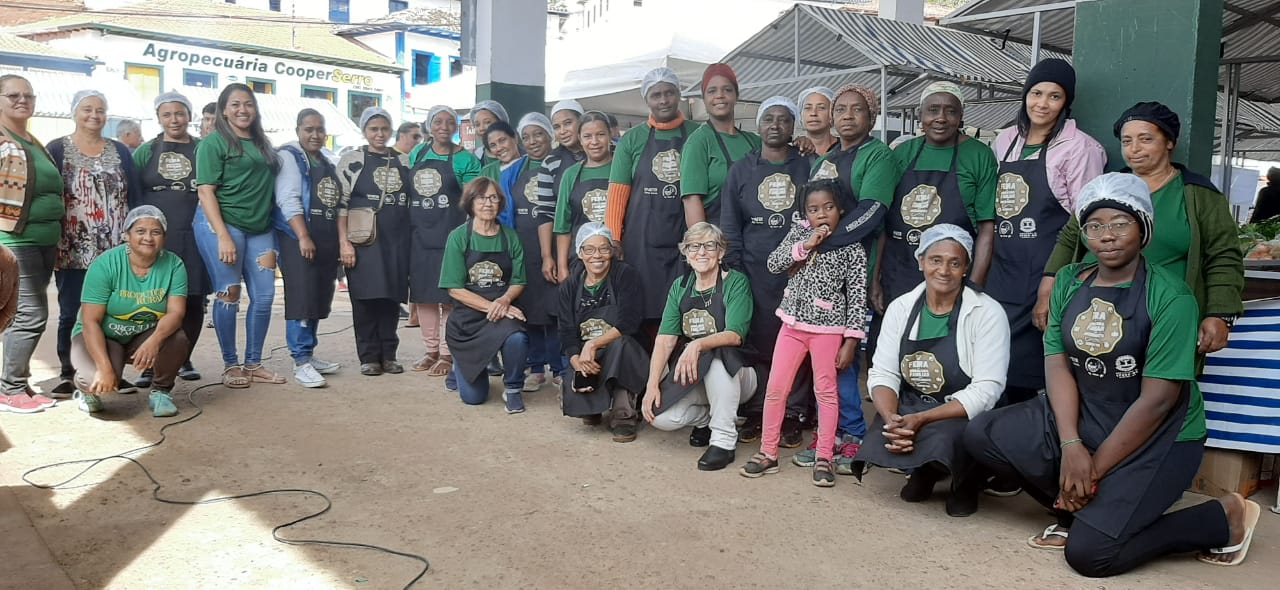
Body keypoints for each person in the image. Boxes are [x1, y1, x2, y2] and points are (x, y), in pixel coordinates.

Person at [964, 173, 1261, 574]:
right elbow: (1057, 361)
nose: (1106, 235)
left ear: (1144, 228)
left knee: (1091, 555)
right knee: (982, 434)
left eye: (1120, 224)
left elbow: (1158, 401)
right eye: (1094, 225)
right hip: (1089, 415)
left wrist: (1093, 470)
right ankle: (1078, 504)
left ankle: (1221, 518)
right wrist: (1071, 446)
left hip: (1158, 435)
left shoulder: (1172, 297)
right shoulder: (1069, 280)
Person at [1038, 102, 1243, 367]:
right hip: (1093, 312)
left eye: (1146, 139)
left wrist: (1220, 314)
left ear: (1169, 142)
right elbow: (1069, 239)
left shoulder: (1198, 195)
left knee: (1161, 382)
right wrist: (1047, 290)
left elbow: (1223, 256)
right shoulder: (1105, 188)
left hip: (1162, 316)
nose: (1134, 149)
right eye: (1127, 141)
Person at [856, 224, 1009, 517]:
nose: (944, 270)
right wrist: (892, 420)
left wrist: (922, 419)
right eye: (936, 260)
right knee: (881, 435)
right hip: (916, 404)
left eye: (955, 263)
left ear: (966, 268)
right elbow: (884, 373)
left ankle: (966, 482)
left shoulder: (987, 313)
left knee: (965, 435)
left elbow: (987, 389)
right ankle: (926, 469)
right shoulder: (901, 308)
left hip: (964, 411)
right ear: (921, 261)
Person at [796, 84, 903, 465]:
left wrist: (823, 241)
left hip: (856, 270)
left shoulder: (878, 156)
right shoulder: (825, 159)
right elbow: (807, 211)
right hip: (820, 273)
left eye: (857, 110)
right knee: (823, 357)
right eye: (840, 109)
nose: (847, 116)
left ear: (871, 117)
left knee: (845, 357)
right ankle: (830, 433)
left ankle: (853, 432)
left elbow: (872, 213)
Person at [988, 59, 1106, 404]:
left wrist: (1054, 281)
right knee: (994, 366)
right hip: (1002, 273)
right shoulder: (1005, 140)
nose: (1042, 103)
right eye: (1036, 93)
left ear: (1066, 103)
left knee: (1031, 373)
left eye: (1054, 96)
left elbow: (1086, 220)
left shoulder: (1081, 148)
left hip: (1047, 275)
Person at [739, 181, 868, 487]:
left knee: (826, 393)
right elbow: (773, 264)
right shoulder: (799, 234)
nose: (821, 214)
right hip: (792, 326)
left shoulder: (852, 247)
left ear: (841, 210)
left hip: (827, 330)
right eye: (813, 209)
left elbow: (857, 297)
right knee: (776, 389)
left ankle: (824, 456)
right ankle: (768, 452)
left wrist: (851, 341)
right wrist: (805, 246)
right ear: (805, 213)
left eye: (828, 207)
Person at [719, 97, 817, 449]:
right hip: (753, 270)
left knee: (796, 338)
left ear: (793, 126)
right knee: (758, 340)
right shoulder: (741, 170)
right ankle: (759, 409)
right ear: (758, 126)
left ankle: (794, 412)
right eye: (768, 119)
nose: (775, 125)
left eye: (784, 119)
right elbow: (730, 223)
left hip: (799, 269)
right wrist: (734, 268)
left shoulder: (807, 166)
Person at [641, 222, 758, 471]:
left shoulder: (735, 282)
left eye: (709, 246)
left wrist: (697, 344)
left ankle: (723, 441)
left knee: (716, 357)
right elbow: (665, 339)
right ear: (685, 253)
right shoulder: (680, 286)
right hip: (696, 375)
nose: (701, 252)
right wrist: (651, 385)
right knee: (658, 415)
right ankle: (707, 420)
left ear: (721, 252)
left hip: (738, 374)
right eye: (694, 246)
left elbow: (735, 335)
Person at [48, 90, 142, 398]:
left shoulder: (120, 150)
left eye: (100, 110)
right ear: (74, 112)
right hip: (73, 247)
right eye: (87, 109)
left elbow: (135, 195)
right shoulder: (57, 149)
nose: (94, 115)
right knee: (71, 311)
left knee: (115, 312)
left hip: (116, 249)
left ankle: (113, 372)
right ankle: (69, 373)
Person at [876, 82, 997, 314]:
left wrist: (973, 288)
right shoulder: (902, 153)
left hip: (952, 279)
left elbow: (987, 228)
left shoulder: (979, 155)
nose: (941, 118)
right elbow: (883, 223)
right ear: (919, 114)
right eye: (932, 110)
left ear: (961, 117)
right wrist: (875, 279)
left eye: (950, 111)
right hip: (898, 273)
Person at [194, 83, 283, 389]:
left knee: (265, 296)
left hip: (260, 227)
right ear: (223, 111)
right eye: (235, 104)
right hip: (223, 225)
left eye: (248, 104)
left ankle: (253, 363)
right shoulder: (214, 143)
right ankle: (231, 365)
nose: (242, 110)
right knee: (229, 293)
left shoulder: (262, 142)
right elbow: (205, 191)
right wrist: (223, 236)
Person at [604, 67, 702, 337]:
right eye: (656, 95)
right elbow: (617, 193)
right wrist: (614, 238)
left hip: (686, 237)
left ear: (679, 95)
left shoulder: (699, 134)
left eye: (669, 93)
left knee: (687, 307)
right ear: (646, 99)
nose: (663, 100)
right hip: (641, 242)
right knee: (643, 310)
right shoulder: (632, 140)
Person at [69, 206, 187, 417]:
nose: (148, 238)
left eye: (156, 232)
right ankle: (86, 391)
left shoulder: (174, 264)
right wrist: (105, 369)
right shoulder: (105, 264)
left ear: (164, 237)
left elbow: (176, 314)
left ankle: (161, 392)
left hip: (143, 334)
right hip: (103, 335)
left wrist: (154, 341)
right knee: (97, 378)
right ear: (126, 235)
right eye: (140, 231)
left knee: (176, 338)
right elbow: (90, 322)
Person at [132, 91, 209, 385]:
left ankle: (182, 357)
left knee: (193, 297)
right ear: (158, 118)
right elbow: (134, 193)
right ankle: (151, 362)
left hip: (196, 235)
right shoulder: (146, 151)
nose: (174, 119)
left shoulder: (204, 149)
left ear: (189, 116)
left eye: (179, 113)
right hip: (156, 237)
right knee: (155, 298)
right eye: (167, 114)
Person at [0, 74, 64, 413]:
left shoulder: (32, 140)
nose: (22, 100)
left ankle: (18, 382)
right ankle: (8, 389)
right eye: (13, 95)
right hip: (14, 238)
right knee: (31, 314)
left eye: (28, 95)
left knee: (20, 314)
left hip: (43, 240)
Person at [440, 177, 530, 413]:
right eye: (481, 198)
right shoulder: (459, 237)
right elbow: (454, 288)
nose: (488, 203)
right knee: (474, 398)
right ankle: (460, 365)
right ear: (470, 202)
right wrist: (494, 307)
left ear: (500, 202)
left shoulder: (510, 236)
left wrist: (505, 300)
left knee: (517, 337)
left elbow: (519, 280)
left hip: (501, 311)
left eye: (493, 198)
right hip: (468, 319)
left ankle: (513, 388)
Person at [407, 105, 481, 376]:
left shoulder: (466, 160)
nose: (444, 127)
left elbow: (473, 201)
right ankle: (431, 351)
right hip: (419, 234)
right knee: (424, 295)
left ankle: (447, 354)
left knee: (450, 295)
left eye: (450, 122)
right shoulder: (417, 153)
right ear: (429, 125)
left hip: (452, 235)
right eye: (438, 121)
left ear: (456, 128)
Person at [337, 107, 412, 377]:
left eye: (384, 129)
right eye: (373, 129)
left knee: (391, 299)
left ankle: (389, 355)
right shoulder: (352, 161)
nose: (379, 134)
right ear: (364, 131)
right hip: (363, 243)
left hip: (397, 243)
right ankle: (369, 356)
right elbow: (341, 205)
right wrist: (344, 243)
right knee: (365, 300)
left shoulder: (404, 161)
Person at [558, 223, 649, 442]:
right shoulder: (570, 286)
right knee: (582, 406)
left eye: (604, 249)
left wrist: (593, 344)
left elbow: (629, 323)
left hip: (624, 351)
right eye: (589, 249)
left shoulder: (625, 275)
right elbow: (566, 330)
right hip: (589, 356)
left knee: (622, 346)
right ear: (580, 253)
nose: (597, 256)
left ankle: (624, 415)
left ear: (612, 251)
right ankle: (593, 407)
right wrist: (576, 360)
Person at [273, 109, 344, 388]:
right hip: (297, 237)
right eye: (308, 129)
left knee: (317, 296)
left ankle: (309, 353)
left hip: (324, 237)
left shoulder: (325, 161)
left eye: (320, 129)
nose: (315, 135)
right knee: (302, 297)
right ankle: (300, 360)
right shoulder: (290, 157)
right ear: (298, 131)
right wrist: (303, 236)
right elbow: (288, 198)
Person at [512, 113, 565, 392]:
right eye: (526, 137)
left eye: (538, 134)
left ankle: (559, 368)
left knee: (554, 309)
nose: (532, 141)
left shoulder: (560, 163)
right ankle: (536, 368)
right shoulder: (515, 169)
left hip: (556, 245)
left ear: (549, 135)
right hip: (523, 246)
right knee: (529, 308)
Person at [681, 63, 761, 225]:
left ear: (736, 96)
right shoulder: (699, 142)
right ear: (704, 99)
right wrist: (703, 239)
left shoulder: (755, 141)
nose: (719, 95)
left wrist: (803, 143)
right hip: (717, 233)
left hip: (753, 232)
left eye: (727, 90)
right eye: (712, 91)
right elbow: (691, 201)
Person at [553, 111, 613, 279]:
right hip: (581, 261)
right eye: (587, 136)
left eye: (600, 135)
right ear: (580, 138)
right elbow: (563, 226)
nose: (594, 142)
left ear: (610, 135)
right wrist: (562, 267)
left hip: (618, 256)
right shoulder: (571, 174)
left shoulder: (623, 168)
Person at [535, 100, 586, 235]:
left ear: (582, 121)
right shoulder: (551, 162)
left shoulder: (610, 153)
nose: (562, 131)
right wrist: (547, 250)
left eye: (568, 123)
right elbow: (546, 213)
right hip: (568, 239)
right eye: (557, 127)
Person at [798, 87, 837, 156]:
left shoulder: (845, 147)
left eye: (821, 108)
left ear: (832, 113)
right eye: (808, 108)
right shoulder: (793, 151)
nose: (813, 113)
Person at [470, 99, 510, 165]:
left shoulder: (519, 155)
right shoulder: (475, 158)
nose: (481, 128)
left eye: (487, 122)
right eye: (477, 125)